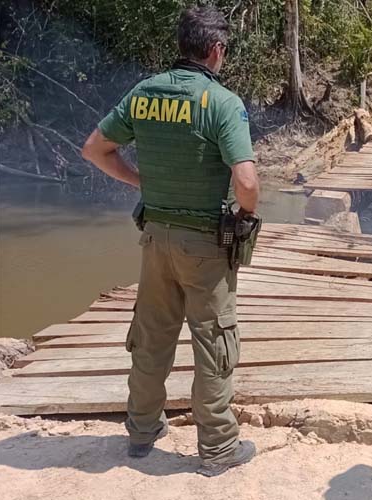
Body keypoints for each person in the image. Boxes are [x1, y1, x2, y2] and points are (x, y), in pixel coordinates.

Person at [81, 6, 260, 477]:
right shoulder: (221, 102)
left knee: (151, 337)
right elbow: (246, 181)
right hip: (204, 245)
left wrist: (143, 182)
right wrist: (245, 216)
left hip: (154, 239)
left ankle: (141, 432)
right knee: (214, 342)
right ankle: (218, 447)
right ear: (217, 49)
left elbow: (95, 148)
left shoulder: (144, 94)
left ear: (183, 45)